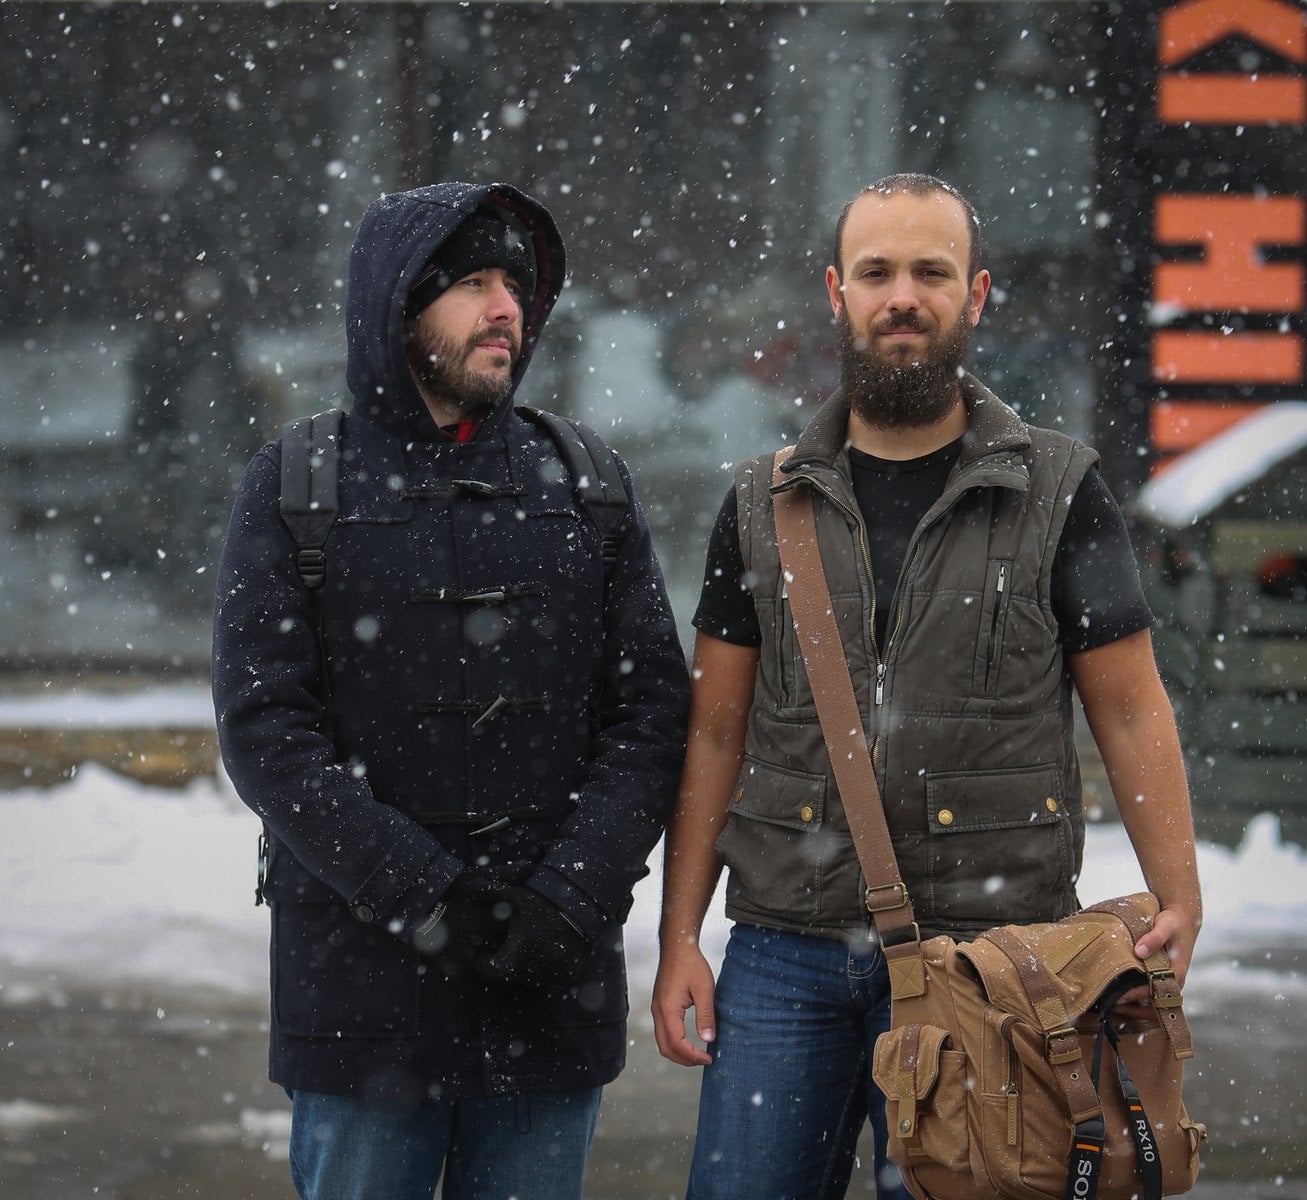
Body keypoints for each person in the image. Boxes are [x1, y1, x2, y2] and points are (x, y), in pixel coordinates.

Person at [651, 173, 1202, 1200]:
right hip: (784, 954)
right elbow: (714, 733)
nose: (901, 295)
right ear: (835, 292)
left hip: (997, 963)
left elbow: (1127, 706)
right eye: (876, 272)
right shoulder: (757, 505)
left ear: (976, 293)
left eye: (929, 272)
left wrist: (1181, 889)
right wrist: (682, 936)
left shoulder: (1059, 491)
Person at [212, 182, 690, 1200]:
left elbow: (649, 714)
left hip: (548, 993)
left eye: (513, 283)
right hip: (360, 1001)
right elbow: (266, 732)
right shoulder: (298, 484)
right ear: (396, 307)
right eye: (471, 283)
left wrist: (568, 901)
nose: (504, 307)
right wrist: (429, 897)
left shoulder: (585, 482)